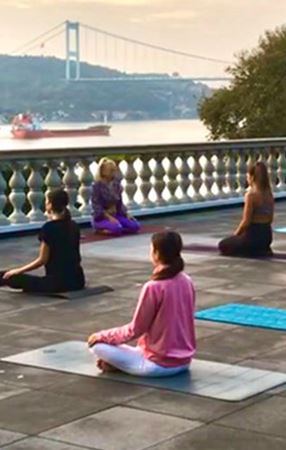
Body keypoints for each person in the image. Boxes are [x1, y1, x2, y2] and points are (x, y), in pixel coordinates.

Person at [87, 231, 196, 377]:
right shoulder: (186, 280)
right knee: (131, 349)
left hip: (158, 365)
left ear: (156, 253)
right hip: (184, 362)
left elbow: (135, 329)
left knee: (97, 346)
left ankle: (118, 365)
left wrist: (102, 335)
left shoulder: (154, 286)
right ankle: (119, 365)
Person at [0, 189, 85, 294]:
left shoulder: (49, 228)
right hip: (78, 280)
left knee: (10, 276)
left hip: (57, 283)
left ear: (50, 204)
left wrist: (19, 270)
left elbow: (42, 260)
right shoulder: (74, 225)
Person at [218, 162, 274, 256]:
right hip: (267, 237)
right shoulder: (269, 194)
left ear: (252, 177)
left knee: (223, 245)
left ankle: (252, 249)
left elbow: (246, 222)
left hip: (253, 236)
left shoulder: (251, 195)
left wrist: (236, 235)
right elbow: (270, 219)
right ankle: (261, 249)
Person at [91, 157, 141, 235]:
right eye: (111, 171)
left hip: (116, 214)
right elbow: (96, 206)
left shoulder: (116, 185)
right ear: (104, 171)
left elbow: (120, 203)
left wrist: (126, 214)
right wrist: (108, 217)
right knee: (116, 228)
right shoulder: (96, 186)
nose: (114, 173)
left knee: (135, 226)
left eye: (114, 170)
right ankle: (100, 229)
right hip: (102, 217)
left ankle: (121, 228)